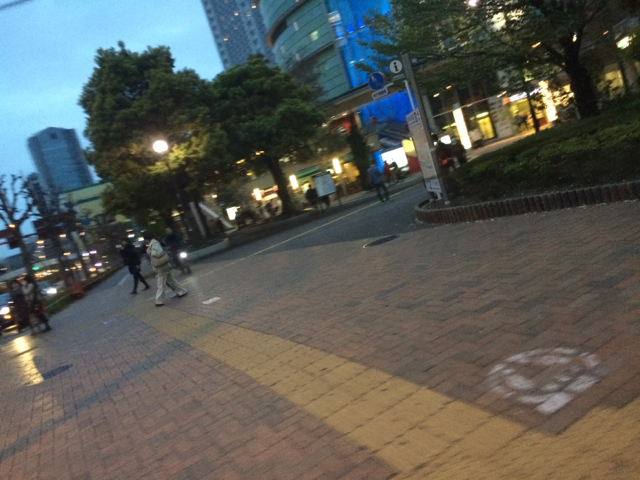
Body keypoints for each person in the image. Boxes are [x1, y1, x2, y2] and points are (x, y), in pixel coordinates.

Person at [144, 232, 188, 307]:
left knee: (160, 284)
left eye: (145, 239)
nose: (145, 241)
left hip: (161, 267)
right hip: (163, 266)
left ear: (147, 238)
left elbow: (159, 252)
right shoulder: (153, 243)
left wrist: (150, 252)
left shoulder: (154, 243)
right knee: (171, 280)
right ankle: (182, 291)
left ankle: (159, 300)